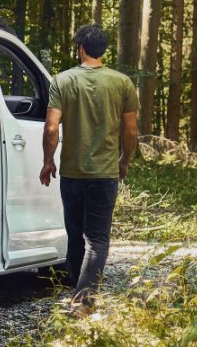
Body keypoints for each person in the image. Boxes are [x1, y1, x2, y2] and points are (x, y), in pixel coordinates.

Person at [39, 25, 139, 310]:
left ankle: (77, 295)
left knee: (75, 236)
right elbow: (130, 132)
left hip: (71, 173)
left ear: (80, 48)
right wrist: (124, 160)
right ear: (103, 50)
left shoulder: (63, 80)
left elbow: (51, 128)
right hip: (105, 174)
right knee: (97, 239)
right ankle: (82, 302)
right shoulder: (122, 83)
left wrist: (48, 161)